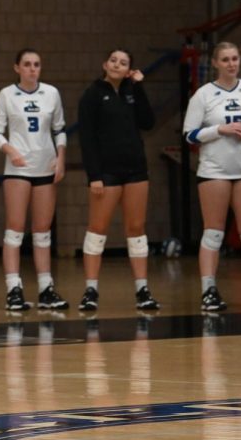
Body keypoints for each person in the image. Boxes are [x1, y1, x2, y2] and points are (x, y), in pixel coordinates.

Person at [76, 48, 159, 312]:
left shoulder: (132, 91)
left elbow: (148, 122)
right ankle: (90, 290)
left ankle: (142, 290)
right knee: (97, 230)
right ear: (105, 63)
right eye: (113, 60)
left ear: (128, 70)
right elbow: (86, 138)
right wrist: (95, 176)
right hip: (106, 173)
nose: (117, 64)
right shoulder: (92, 94)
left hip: (136, 170)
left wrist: (139, 87)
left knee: (136, 230)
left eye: (123, 63)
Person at [182, 41, 241, 312]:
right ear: (215, 63)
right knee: (213, 232)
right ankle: (209, 290)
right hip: (214, 170)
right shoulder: (203, 95)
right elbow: (189, 134)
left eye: (235, 58)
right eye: (225, 59)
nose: (231, 64)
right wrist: (220, 130)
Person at [0, 48, 69, 311]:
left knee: (42, 231)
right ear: (17, 68)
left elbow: (59, 129)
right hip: (18, 170)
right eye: (27, 64)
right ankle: (14, 289)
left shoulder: (51, 93)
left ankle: (46, 289)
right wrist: (11, 151)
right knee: (14, 229)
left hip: (45, 167)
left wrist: (61, 157)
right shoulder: (6, 94)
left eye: (36, 64)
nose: (32, 69)